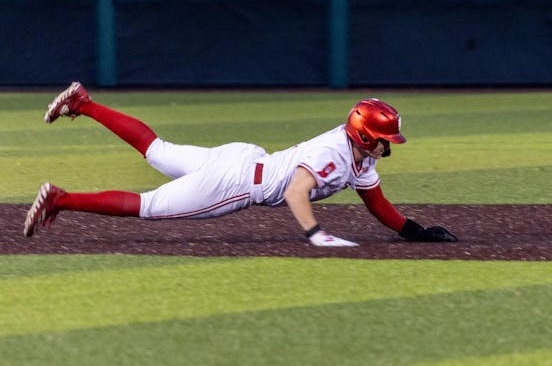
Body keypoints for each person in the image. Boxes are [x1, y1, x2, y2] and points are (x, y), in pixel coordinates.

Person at [23, 82, 457, 246]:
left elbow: (376, 202)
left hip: (243, 158)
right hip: (235, 183)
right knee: (147, 206)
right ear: (364, 135)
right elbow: (294, 192)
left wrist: (412, 231)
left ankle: (83, 103)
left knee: (156, 150)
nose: (389, 147)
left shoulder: (358, 158)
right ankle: (60, 200)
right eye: (384, 140)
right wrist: (315, 233)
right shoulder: (334, 154)